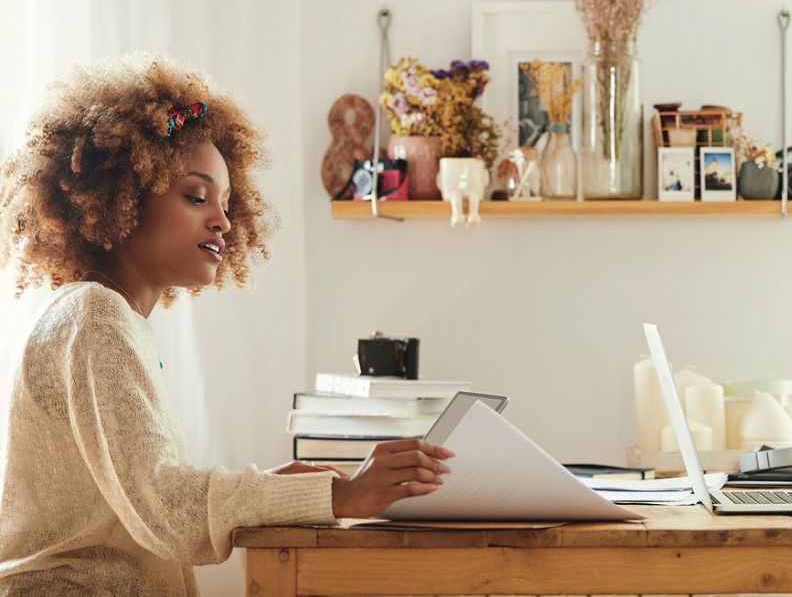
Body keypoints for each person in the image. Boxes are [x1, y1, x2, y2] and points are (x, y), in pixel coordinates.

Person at [0, 54, 453, 594]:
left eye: (227, 202)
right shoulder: (95, 318)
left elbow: (151, 502)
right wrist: (341, 495)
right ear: (121, 196)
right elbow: (168, 509)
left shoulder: (106, 319)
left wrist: (280, 490)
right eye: (195, 196)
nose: (223, 219)